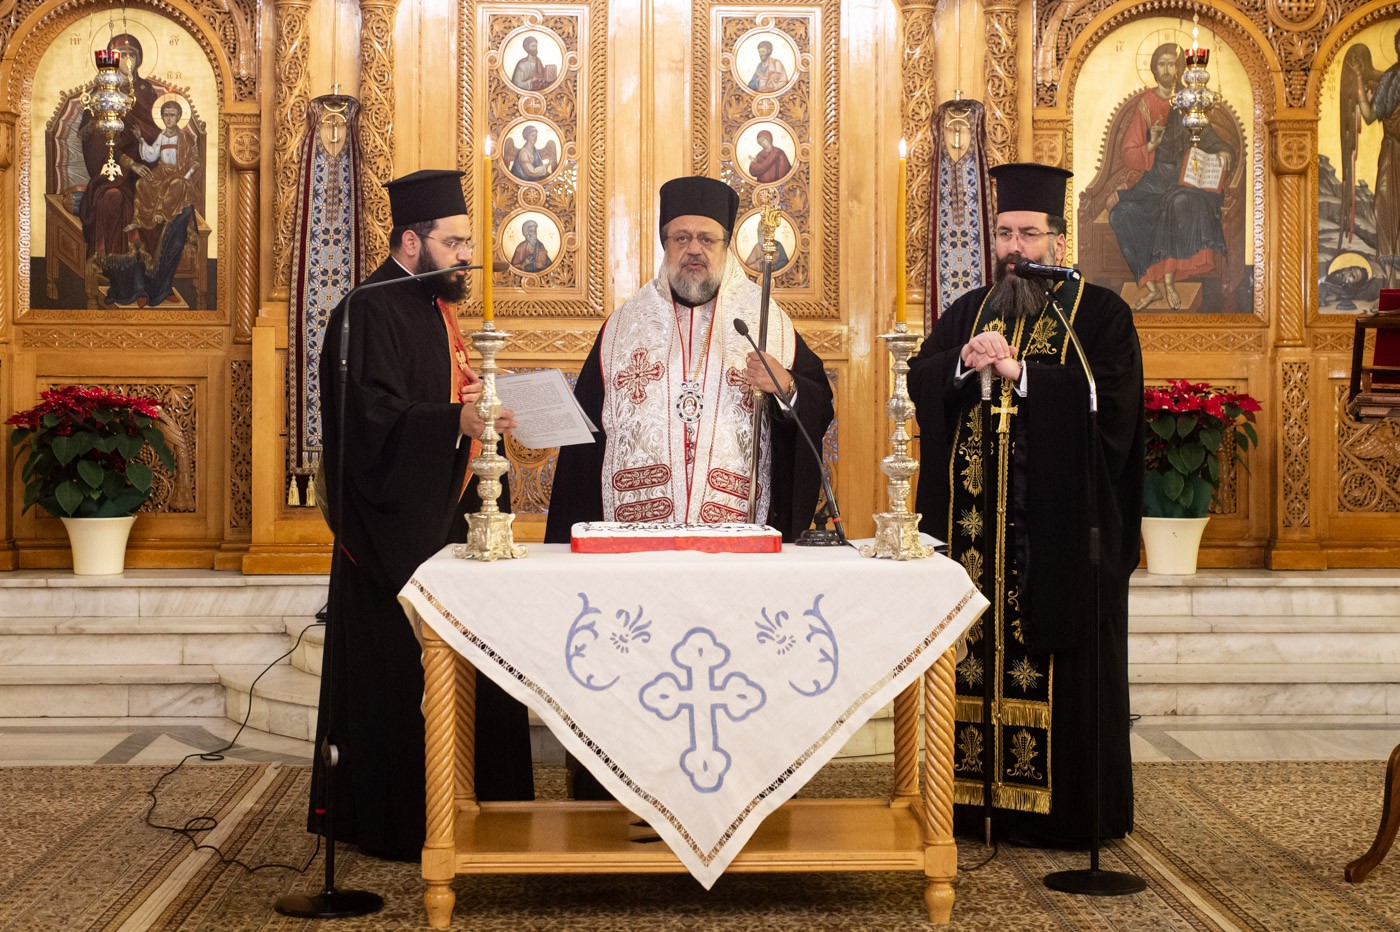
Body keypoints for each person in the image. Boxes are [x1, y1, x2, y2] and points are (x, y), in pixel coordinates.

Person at [545, 174, 833, 798]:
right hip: (633, 553)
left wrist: (786, 387)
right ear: (664, 243)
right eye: (681, 238)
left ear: (727, 246)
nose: (694, 250)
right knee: (633, 681)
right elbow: (584, 443)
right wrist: (565, 546)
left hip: (733, 548)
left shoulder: (766, 322)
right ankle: (621, 794)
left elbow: (817, 403)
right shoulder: (622, 328)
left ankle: (733, 794)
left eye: (707, 238)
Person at [908, 162, 1144, 849]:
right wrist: (962, 362)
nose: (1015, 248)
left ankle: (1063, 814)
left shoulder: (1100, 315)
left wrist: (1022, 374)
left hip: (1057, 543)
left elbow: (1115, 411)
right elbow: (922, 378)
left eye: (1029, 234)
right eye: (1005, 233)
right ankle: (970, 805)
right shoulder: (970, 310)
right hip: (975, 537)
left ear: (1059, 242)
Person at [311, 169, 535, 860]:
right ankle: (405, 824)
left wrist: (476, 412)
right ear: (412, 241)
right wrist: (452, 420)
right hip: (394, 534)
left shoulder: (435, 307)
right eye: (455, 243)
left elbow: (443, 398)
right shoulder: (366, 311)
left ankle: (483, 805)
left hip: (447, 517)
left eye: (468, 242)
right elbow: (369, 420)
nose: (467, 256)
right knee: (399, 684)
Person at [1106, 42, 1232, 311]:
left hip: (1184, 182)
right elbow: (1129, 154)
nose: (1166, 69)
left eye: (1172, 64)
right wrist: (1151, 144)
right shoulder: (1146, 104)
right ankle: (1152, 288)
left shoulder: (1189, 102)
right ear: (1154, 68)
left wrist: (1222, 153)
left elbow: (1212, 140)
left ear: (1179, 69)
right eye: (1161, 64)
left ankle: (1169, 284)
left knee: (1176, 204)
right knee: (1120, 214)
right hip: (1154, 182)